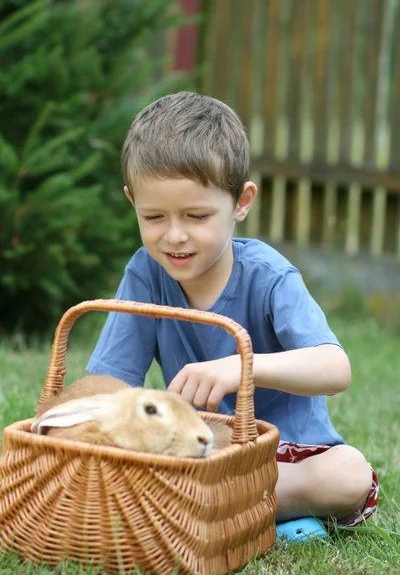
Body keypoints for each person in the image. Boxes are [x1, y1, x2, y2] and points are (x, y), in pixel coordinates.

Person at [87, 91, 378, 528]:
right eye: (154, 218)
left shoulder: (268, 275)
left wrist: (238, 368)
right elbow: (108, 387)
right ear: (133, 203)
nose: (175, 236)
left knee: (347, 474)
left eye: (197, 216)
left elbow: (335, 369)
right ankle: (232, 509)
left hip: (284, 457)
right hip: (201, 450)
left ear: (241, 202)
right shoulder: (146, 273)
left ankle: (201, 506)